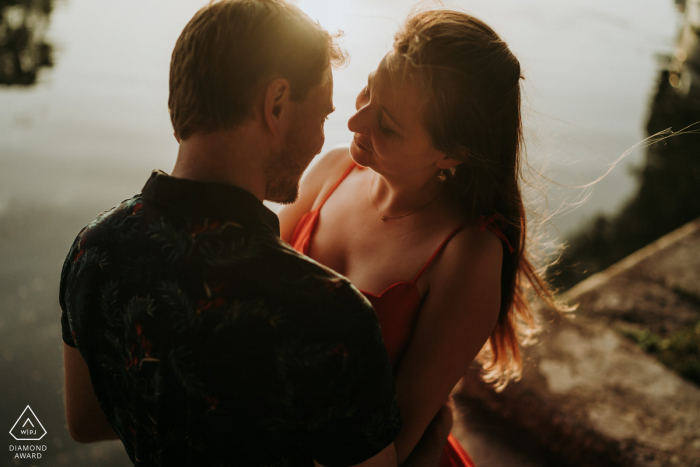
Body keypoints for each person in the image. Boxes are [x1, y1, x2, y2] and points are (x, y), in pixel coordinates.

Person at [58, 1, 455, 465]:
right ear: (276, 104)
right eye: (324, 116)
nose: (326, 137)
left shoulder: (92, 250)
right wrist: (431, 443)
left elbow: (84, 422)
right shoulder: (327, 311)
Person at [280, 9, 560, 467]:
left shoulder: (466, 255)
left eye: (387, 125)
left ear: (452, 153)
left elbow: (398, 444)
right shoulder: (332, 171)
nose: (355, 122)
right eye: (368, 89)